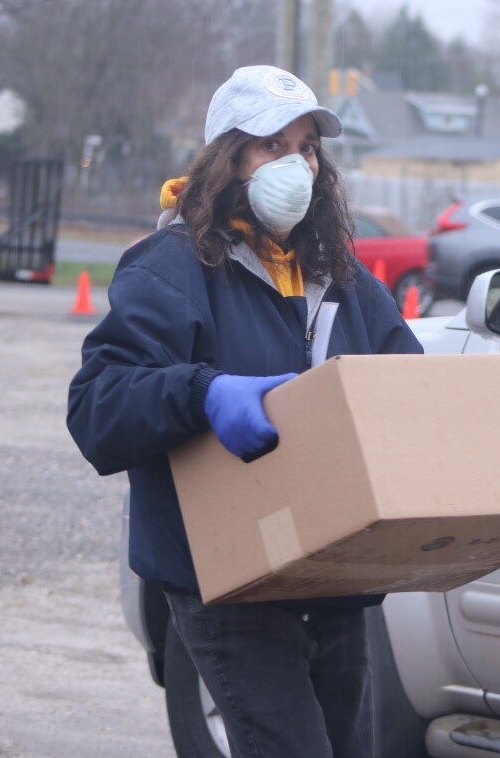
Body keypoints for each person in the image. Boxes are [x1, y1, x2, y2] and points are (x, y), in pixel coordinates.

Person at [67, 65, 423, 757]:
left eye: (308, 148)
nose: (297, 165)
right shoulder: (171, 267)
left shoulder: (341, 279)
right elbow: (97, 407)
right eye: (272, 146)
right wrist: (202, 391)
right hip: (226, 576)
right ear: (226, 157)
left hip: (333, 572)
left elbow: (400, 389)